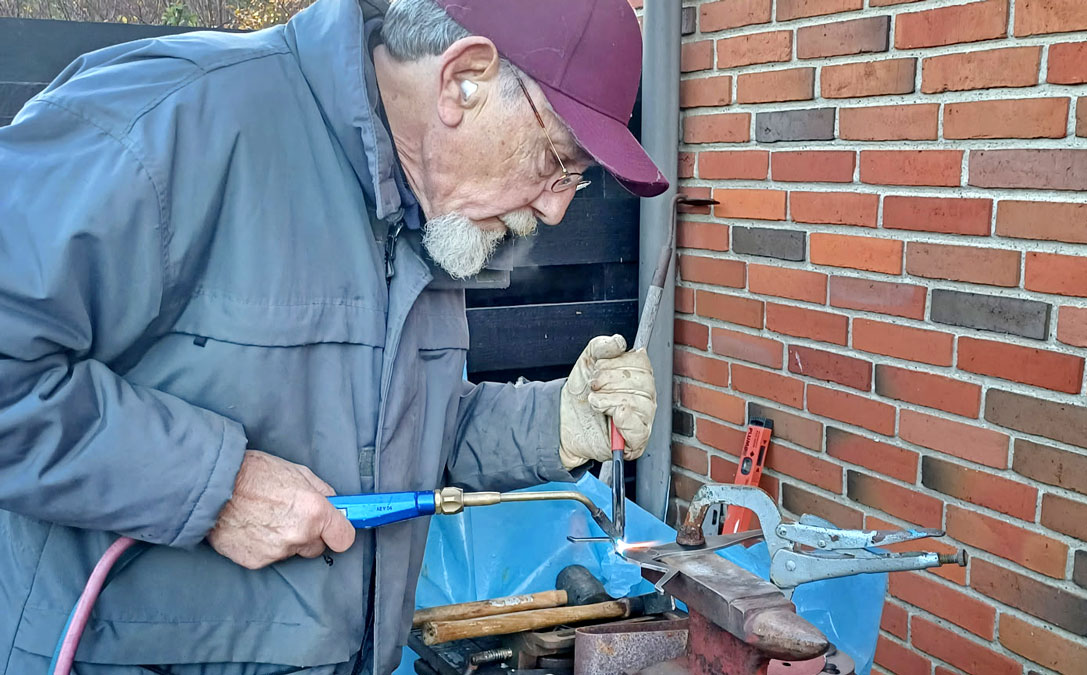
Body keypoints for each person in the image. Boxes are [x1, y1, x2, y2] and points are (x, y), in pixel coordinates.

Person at [0, 0, 668, 672]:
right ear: (463, 79)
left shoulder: (433, 217)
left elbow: (408, 430)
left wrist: (559, 419)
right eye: (555, 158)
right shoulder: (173, 121)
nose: (554, 208)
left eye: (573, 181)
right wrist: (215, 485)